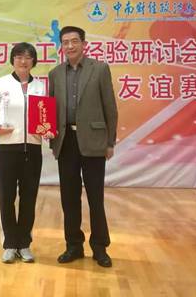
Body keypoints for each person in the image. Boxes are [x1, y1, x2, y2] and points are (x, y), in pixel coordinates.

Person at [48, 26, 118, 268]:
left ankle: (100, 247)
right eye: (65, 42)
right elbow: (50, 109)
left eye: (74, 41)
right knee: (69, 198)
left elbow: (110, 107)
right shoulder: (55, 73)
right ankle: (73, 246)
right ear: (61, 46)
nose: (70, 46)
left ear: (84, 44)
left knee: (95, 197)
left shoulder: (99, 69)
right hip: (65, 141)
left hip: (94, 141)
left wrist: (110, 142)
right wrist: (52, 139)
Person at [0, 42, 49, 264]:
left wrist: (48, 130)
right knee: (6, 198)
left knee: (29, 198)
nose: (23, 61)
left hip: (33, 150)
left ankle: (24, 244)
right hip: (6, 149)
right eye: (19, 56)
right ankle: (10, 244)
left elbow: (46, 117)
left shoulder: (40, 87)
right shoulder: (1, 84)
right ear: (12, 60)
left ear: (33, 61)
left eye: (28, 57)